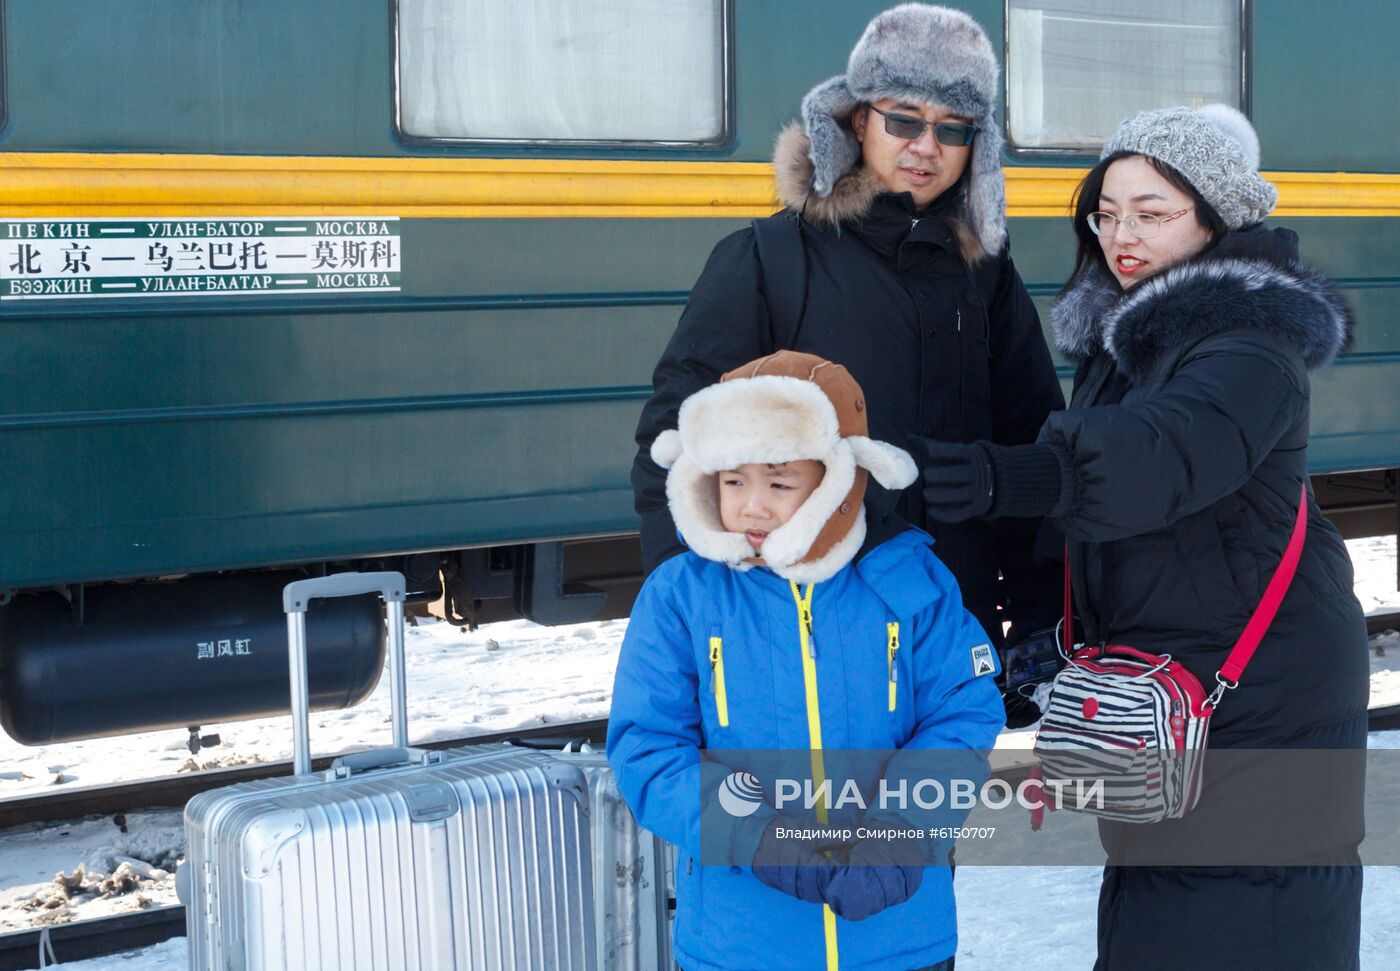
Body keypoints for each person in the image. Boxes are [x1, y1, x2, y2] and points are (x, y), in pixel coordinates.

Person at [916, 104, 1370, 970]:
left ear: (1215, 217)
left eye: (1152, 212)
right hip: (1180, 687)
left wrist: (1011, 474)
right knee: (1163, 902)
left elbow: (1166, 452)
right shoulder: (1132, 339)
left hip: (1262, 699)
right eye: (1106, 211)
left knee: (1241, 920)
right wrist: (1057, 630)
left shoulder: (1253, 337)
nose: (1122, 234)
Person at [630, 3, 1065, 672]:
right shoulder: (767, 258)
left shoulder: (986, 274)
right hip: (801, 635)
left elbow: (1028, 434)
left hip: (951, 629)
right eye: (904, 120)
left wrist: (1038, 614)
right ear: (858, 118)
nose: (927, 147)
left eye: (954, 128)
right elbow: (677, 440)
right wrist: (687, 609)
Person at [608, 351, 1005, 971]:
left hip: (899, 941)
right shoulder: (680, 596)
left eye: (780, 482)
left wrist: (903, 828)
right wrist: (760, 838)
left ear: (838, 479)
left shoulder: (909, 580)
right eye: (732, 482)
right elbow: (649, 750)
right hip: (741, 945)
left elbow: (964, 714)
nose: (753, 507)